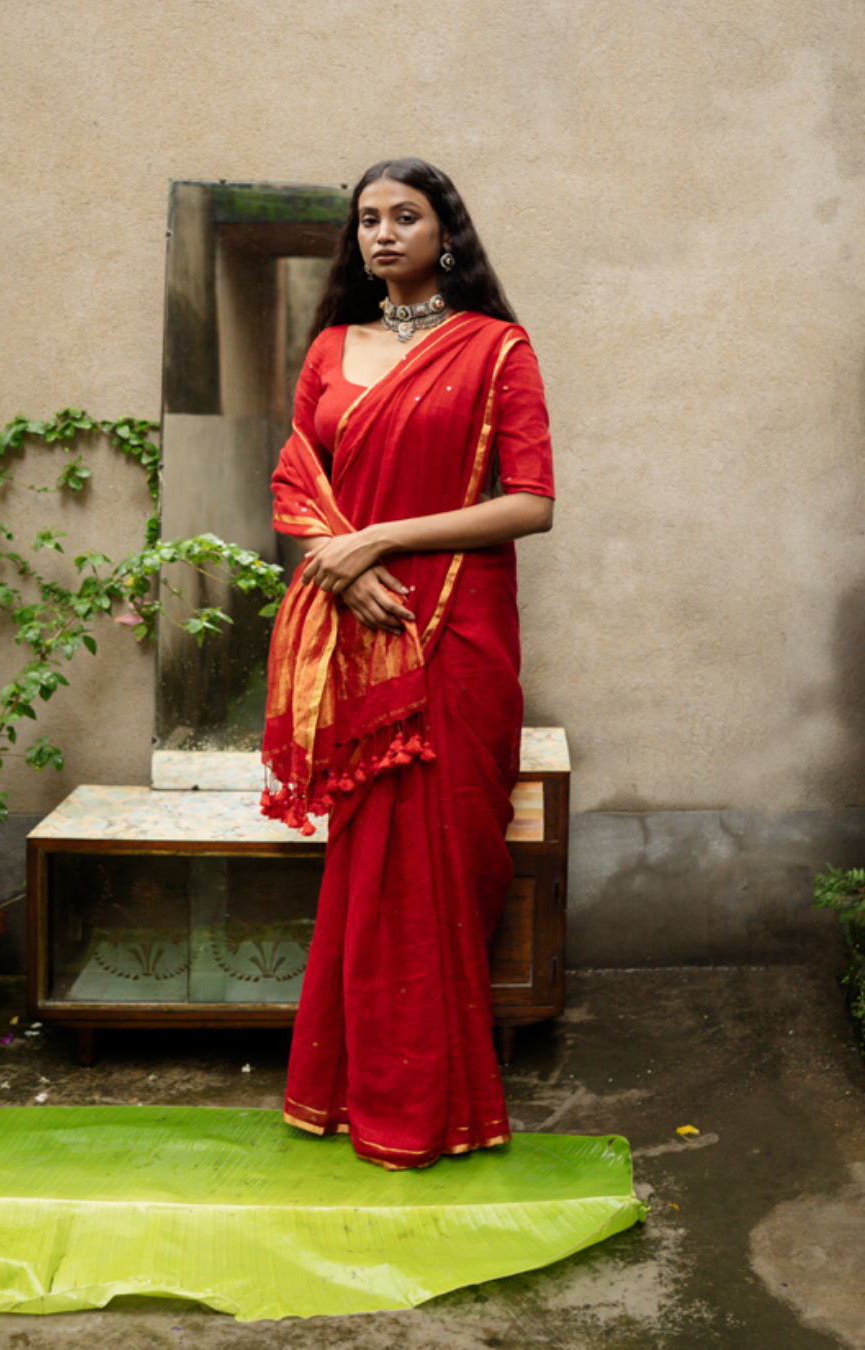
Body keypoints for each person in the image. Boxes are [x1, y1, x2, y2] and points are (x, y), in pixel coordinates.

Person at [260, 158, 555, 1170]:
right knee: (369, 860)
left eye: (406, 216)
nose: (383, 233)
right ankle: (350, 1091)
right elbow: (299, 489)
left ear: (445, 231)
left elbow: (532, 504)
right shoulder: (332, 349)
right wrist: (339, 571)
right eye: (368, 219)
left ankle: (439, 1098)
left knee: (448, 857)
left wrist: (379, 540)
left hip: (460, 628)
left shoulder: (496, 350)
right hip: (362, 632)